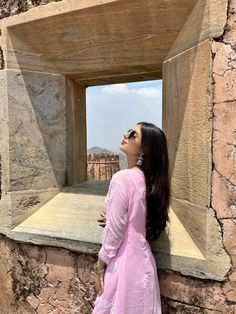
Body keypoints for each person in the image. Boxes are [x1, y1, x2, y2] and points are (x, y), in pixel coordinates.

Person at [92, 121, 170, 314]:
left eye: (133, 135)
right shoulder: (148, 180)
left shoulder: (122, 178)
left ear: (144, 149)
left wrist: (99, 264)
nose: (126, 135)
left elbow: (117, 231)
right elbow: (135, 218)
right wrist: (111, 217)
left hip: (123, 264)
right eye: (128, 131)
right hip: (143, 264)